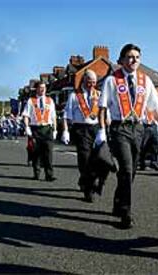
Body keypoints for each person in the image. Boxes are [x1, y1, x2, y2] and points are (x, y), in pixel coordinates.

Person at [97, 43, 158, 229]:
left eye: (137, 57)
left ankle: (118, 200)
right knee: (127, 169)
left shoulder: (146, 80)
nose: (134, 60)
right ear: (121, 60)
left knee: (132, 172)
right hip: (119, 129)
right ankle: (126, 213)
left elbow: (153, 106)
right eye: (130, 57)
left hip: (138, 129)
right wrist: (101, 130)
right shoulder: (112, 80)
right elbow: (103, 107)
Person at [62, 69, 101, 202]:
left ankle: (85, 179)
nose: (92, 85)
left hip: (96, 128)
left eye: (94, 82)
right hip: (81, 129)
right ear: (84, 80)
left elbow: (104, 113)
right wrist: (65, 130)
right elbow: (67, 115)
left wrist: (105, 128)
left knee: (98, 159)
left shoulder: (99, 94)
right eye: (89, 82)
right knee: (85, 158)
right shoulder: (74, 95)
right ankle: (88, 189)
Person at [22, 81, 57, 181]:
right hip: (35, 129)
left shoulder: (50, 100)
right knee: (36, 152)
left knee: (48, 152)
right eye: (40, 88)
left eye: (44, 88)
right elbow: (26, 115)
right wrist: (27, 127)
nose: (42, 90)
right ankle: (36, 173)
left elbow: (53, 116)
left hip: (47, 128)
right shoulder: (31, 101)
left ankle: (49, 174)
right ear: (36, 89)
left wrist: (55, 129)